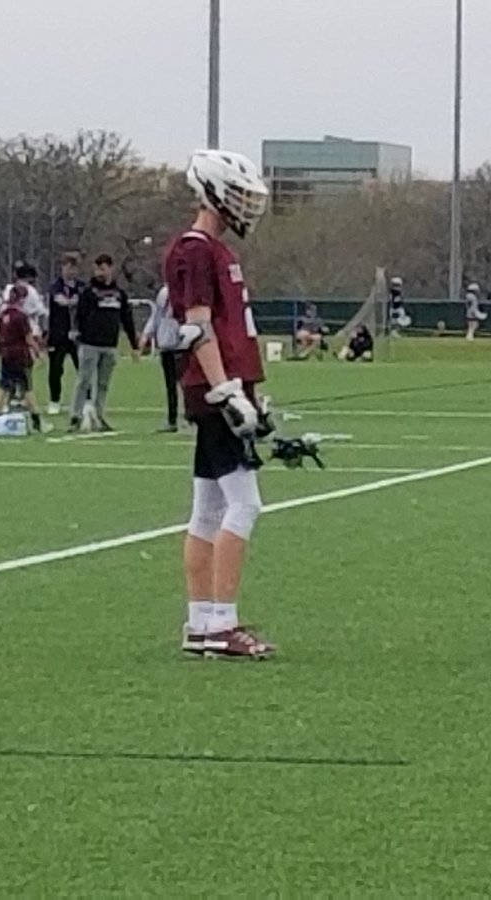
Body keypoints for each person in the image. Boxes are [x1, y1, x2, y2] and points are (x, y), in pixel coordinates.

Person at [165, 148, 273, 659]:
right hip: (215, 389)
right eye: (237, 194)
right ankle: (220, 624)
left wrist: (249, 388)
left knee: (207, 508)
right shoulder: (195, 250)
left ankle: (201, 621)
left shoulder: (217, 250)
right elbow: (197, 325)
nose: (245, 206)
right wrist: (226, 390)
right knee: (245, 504)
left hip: (228, 384)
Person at [67, 253, 138, 433]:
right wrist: (77, 335)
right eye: (97, 268)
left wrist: (134, 345)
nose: (100, 272)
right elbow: (79, 316)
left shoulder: (119, 294)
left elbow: (127, 319)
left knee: (103, 384)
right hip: (90, 344)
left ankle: (99, 415)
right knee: (83, 381)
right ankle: (75, 416)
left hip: (110, 345)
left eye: (103, 268)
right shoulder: (89, 292)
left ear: (111, 269)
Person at [0, 285, 43, 432]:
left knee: (3, 385)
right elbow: (28, 338)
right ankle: (36, 418)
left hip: (6, 353)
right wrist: (38, 352)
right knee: (26, 387)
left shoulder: (3, 314)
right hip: (20, 354)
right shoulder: (21, 316)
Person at [139, 284, 184, 432]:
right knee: (170, 385)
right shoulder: (164, 293)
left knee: (187, 384)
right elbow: (157, 315)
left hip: (183, 344)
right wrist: (147, 334)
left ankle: (192, 418)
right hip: (166, 344)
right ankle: (172, 420)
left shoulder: (187, 289)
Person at [45, 252, 85, 415]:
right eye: (68, 267)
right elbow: (59, 300)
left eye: (74, 267)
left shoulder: (81, 286)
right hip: (58, 334)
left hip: (77, 335)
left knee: (83, 369)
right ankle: (54, 400)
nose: (71, 271)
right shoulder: (56, 286)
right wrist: (71, 301)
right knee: (56, 369)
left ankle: (86, 399)